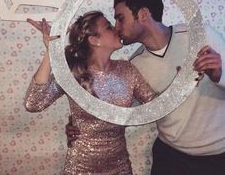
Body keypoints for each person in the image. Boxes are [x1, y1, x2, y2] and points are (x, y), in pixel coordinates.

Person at [67, 0, 225, 175]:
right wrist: (80, 124)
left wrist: (218, 75)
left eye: (120, 18)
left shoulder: (201, 36)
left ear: (143, 14)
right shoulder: (135, 65)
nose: (116, 28)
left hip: (217, 156)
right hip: (169, 157)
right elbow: (120, 110)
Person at [24, 11, 158, 174]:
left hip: (119, 167)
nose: (116, 28)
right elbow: (34, 103)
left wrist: (184, 82)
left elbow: (156, 106)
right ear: (94, 40)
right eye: (109, 27)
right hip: (80, 167)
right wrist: (51, 51)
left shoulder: (127, 69)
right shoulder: (74, 72)